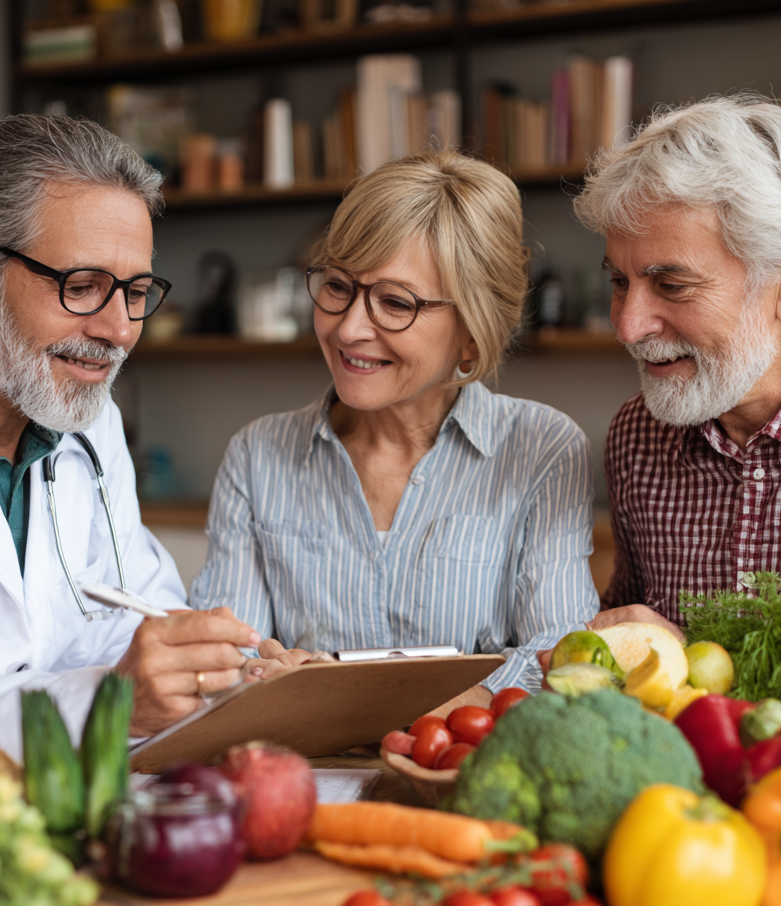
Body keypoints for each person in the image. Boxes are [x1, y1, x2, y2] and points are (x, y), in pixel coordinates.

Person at [0, 115, 260, 800]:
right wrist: (105, 700)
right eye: (81, 285)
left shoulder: (88, 430)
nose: (119, 330)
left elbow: (137, 617)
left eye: (135, 292)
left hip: (69, 813)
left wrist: (215, 663)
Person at [190, 149, 600, 706]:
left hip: (461, 770)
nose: (350, 328)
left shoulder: (542, 449)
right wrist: (257, 673)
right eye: (338, 286)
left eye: (394, 302)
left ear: (472, 333)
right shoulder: (258, 454)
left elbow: (561, 659)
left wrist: (389, 712)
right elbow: (223, 662)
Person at [572, 94, 781, 638]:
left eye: (672, 285)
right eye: (620, 282)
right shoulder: (636, 438)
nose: (628, 326)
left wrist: (697, 663)